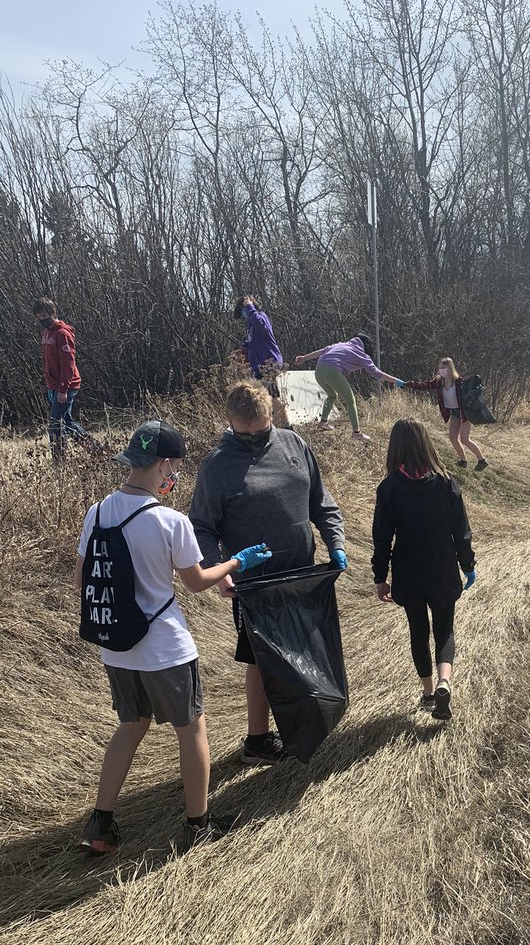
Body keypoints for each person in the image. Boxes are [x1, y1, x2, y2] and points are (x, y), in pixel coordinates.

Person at [74, 419, 272, 854]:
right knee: (192, 729)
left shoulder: (98, 512)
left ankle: (100, 825)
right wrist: (237, 563)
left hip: (117, 648)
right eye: (174, 467)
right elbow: (198, 581)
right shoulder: (170, 521)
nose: (174, 475)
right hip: (164, 648)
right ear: (163, 464)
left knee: (130, 725)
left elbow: (82, 578)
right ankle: (198, 824)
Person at [189, 382, 347, 763]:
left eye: (261, 430)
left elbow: (321, 504)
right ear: (230, 422)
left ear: (271, 416)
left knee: (308, 647)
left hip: (302, 575)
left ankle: (311, 720)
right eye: (245, 433)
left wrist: (336, 543)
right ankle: (257, 741)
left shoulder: (294, 445)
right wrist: (217, 569)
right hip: (255, 586)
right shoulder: (217, 465)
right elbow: (201, 526)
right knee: (261, 660)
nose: (254, 439)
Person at [372, 419, 476, 721]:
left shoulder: (389, 488)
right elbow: (462, 531)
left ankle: (429, 693)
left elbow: (381, 537)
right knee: (445, 629)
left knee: (418, 631)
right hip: (442, 567)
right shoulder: (445, 482)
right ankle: (446, 680)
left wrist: (380, 576)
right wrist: (467, 565)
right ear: (426, 444)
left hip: (407, 571)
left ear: (395, 448)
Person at [294, 335, 404, 442]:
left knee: (332, 395)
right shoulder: (361, 355)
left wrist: (304, 358)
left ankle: (323, 422)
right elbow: (377, 374)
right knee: (350, 400)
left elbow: (322, 351)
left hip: (319, 370)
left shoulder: (341, 345)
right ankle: (357, 433)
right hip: (332, 371)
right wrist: (397, 381)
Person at [396, 357, 488, 470]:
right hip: (453, 412)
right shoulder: (439, 382)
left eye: (444, 368)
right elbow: (423, 385)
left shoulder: (459, 382)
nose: (441, 370)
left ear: (450, 369)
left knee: (465, 439)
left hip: (464, 413)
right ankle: (463, 461)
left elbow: (470, 395)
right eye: (440, 368)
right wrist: (407, 384)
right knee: (452, 437)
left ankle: (481, 460)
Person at [33, 297, 90, 458]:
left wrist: (63, 389)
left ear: (52, 313)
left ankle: (60, 462)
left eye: (43, 316)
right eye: (38, 317)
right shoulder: (46, 334)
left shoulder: (62, 334)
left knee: (55, 425)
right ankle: (98, 451)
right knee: (67, 422)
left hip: (66, 386)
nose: (41, 320)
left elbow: (68, 364)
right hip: (53, 386)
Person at [233, 295, 287, 426]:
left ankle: (287, 425)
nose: (243, 314)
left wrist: (249, 307)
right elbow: (252, 342)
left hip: (269, 363)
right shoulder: (250, 325)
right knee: (264, 397)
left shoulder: (261, 317)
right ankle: (271, 425)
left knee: (272, 396)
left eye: (243, 310)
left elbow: (262, 326)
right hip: (259, 366)